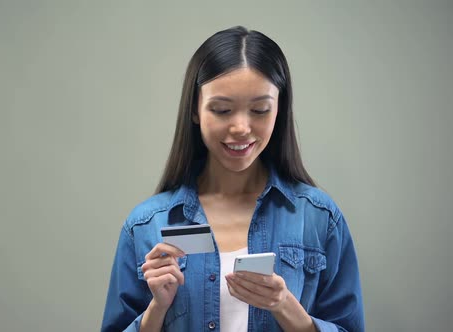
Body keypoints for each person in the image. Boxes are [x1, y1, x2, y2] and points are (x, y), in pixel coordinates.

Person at [101, 26, 364, 332]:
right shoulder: (147, 224)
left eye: (260, 110)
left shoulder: (319, 218)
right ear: (196, 110)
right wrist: (157, 308)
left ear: (279, 109)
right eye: (222, 110)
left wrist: (285, 307)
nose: (241, 127)